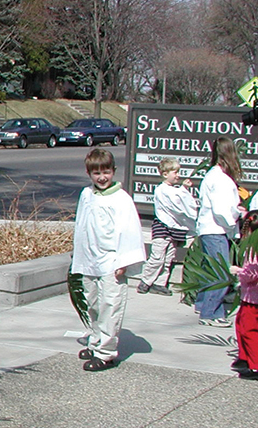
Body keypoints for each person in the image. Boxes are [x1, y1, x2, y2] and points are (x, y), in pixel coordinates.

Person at [71, 148, 145, 371]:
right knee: (92, 303)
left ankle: (106, 352)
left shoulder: (121, 199)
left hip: (112, 262)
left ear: (113, 171)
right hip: (90, 260)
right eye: (96, 173)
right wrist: (79, 254)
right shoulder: (87, 195)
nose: (102, 177)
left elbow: (130, 231)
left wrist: (124, 261)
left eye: (106, 172)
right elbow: (81, 226)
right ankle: (95, 341)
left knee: (109, 305)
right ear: (89, 173)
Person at [196, 137, 244, 327]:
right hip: (216, 230)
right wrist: (235, 219)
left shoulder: (211, 175)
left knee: (211, 271)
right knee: (221, 274)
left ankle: (202, 304)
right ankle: (210, 313)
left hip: (208, 229)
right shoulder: (222, 180)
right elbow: (222, 210)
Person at [137, 157, 196, 296]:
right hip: (162, 228)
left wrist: (184, 188)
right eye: (175, 172)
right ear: (165, 174)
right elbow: (175, 201)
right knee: (157, 257)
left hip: (173, 230)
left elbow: (179, 199)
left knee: (168, 258)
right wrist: (184, 189)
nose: (178, 175)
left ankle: (159, 283)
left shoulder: (172, 190)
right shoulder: (162, 190)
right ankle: (145, 281)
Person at [230, 211, 258, 380]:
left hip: (254, 298)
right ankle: (244, 357)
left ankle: (255, 365)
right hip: (249, 296)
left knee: (250, 330)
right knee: (241, 324)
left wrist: (236, 271)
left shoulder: (254, 247)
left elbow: (252, 273)